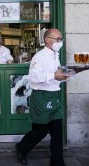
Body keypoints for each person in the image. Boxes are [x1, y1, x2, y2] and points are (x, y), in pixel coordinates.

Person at [15, 28, 69, 166]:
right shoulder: (39, 57)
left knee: (57, 133)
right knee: (40, 131)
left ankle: (57, 163)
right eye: (58, 39)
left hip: (54, 97)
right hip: (41, 98)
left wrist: (66, 76)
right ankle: (21, 148)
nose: (60, 42)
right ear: (47, 40)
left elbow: (55, 76)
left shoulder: (55, 55)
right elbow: (33, 77)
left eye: (61, 39)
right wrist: (54, 75)